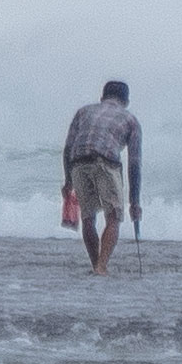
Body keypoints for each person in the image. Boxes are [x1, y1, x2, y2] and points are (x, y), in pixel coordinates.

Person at [61, 78, 145, 272]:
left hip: (78, 162)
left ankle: (96, 264)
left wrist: (68, 181)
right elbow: (134, 164)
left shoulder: (83, 111)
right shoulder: (130, 120)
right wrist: (135, 202)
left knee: (88, 218)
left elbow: (68, 148)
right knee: (113, 217)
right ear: (126, 101)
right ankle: (101, 266)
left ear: (102, 98)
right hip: (106, 163)